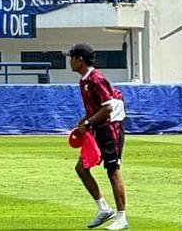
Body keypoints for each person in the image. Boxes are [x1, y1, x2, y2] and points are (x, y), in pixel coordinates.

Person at [68, 42, 128, 230]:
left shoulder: (96, 78)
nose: (70, 62)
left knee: (113, 170)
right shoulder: (84, 80)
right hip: (98, 128)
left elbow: (108, 107)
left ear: (80, 60)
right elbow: (95, 108)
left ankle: (122, 217)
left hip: (111, 128)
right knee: (81, 168)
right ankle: (104, 208)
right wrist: (82, 123)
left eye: (72, 58)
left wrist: (87, 123)